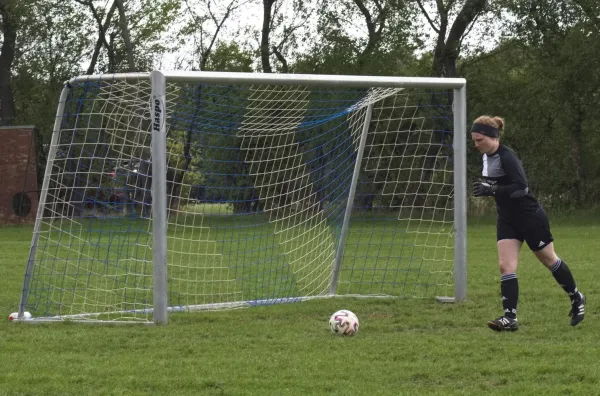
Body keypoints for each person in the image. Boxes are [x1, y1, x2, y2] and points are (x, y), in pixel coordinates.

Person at [471, 115, 586, 332]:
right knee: (506, 266)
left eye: (479, 140)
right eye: (474, 140)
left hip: (529, 217)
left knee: (549, 260)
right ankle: (509, 318)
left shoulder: (508, 157)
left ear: (493, 137)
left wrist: (493, 190)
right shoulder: (486, 156)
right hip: (507, 219)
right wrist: (489, 188)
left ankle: (577, 297)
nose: (476, 145)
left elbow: (521, 188)